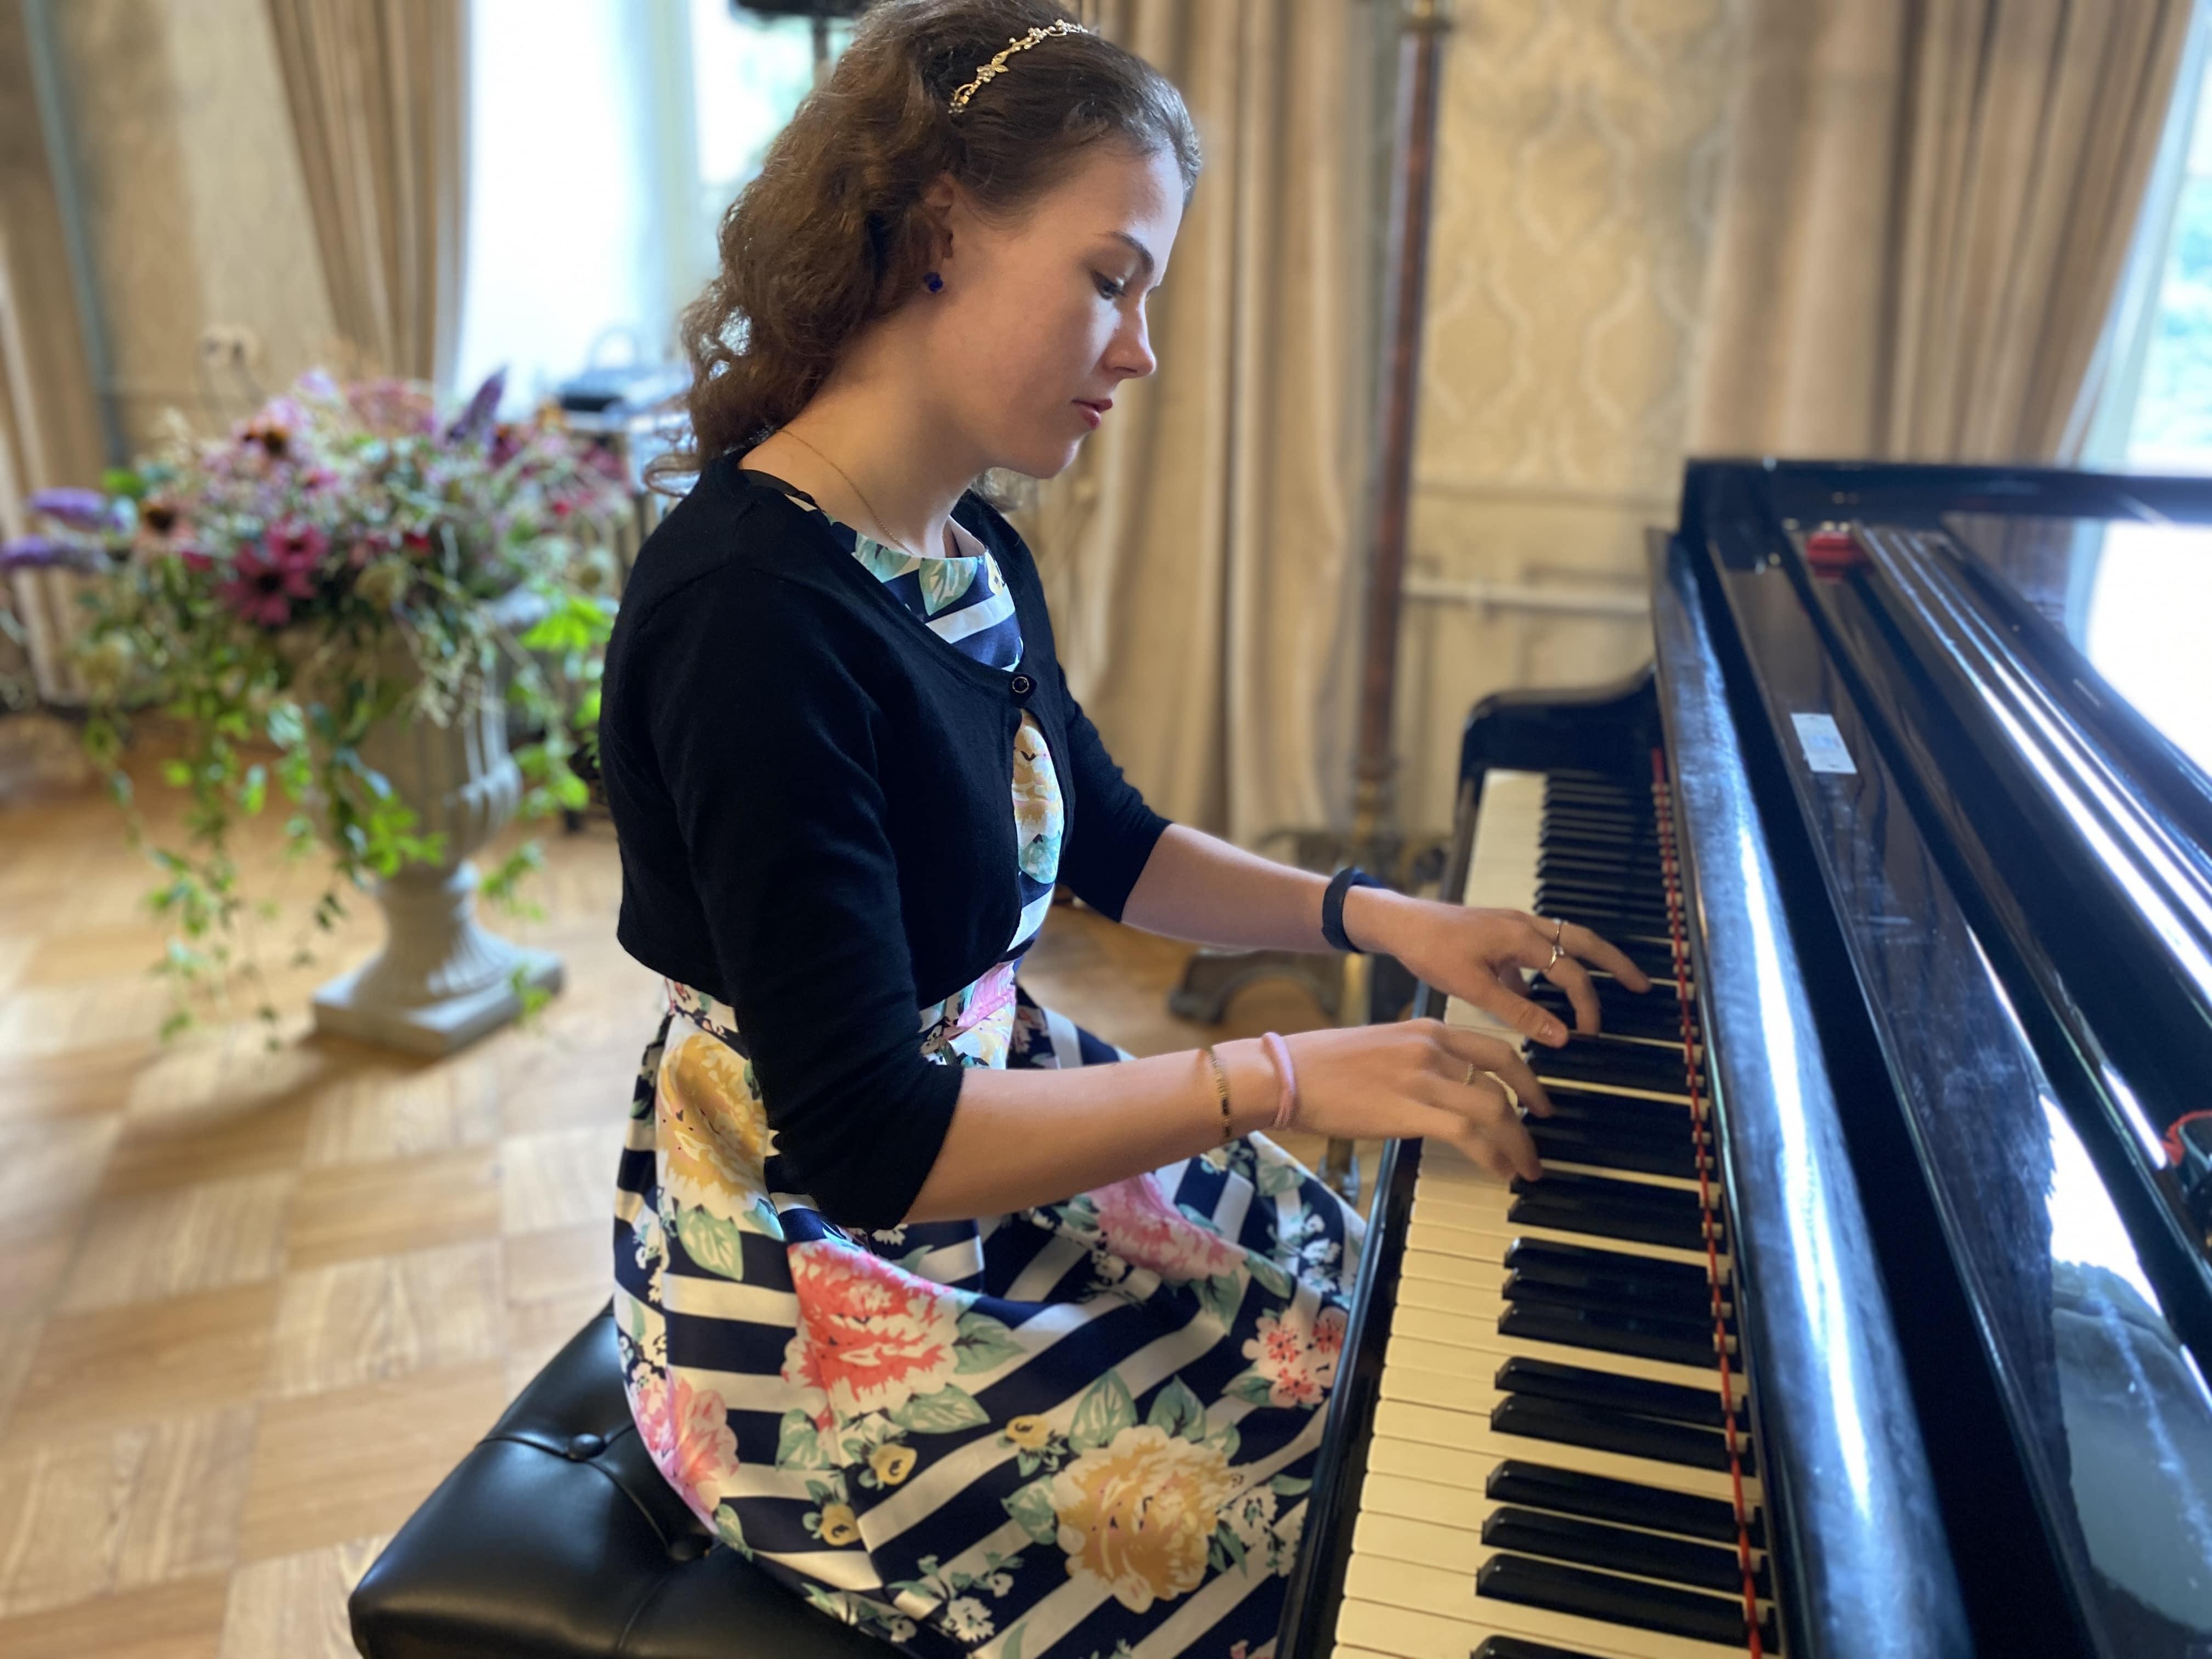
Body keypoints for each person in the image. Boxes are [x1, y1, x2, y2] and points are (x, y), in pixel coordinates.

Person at [595, 3, 1650, 1654]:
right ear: (939, 230)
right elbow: (869, 1143)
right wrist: (1284, 1073)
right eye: (1112, 278)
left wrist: (1388, 920)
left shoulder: (964, 548)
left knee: (1356, 1328)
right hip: (818, 1268)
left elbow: (1110, 840)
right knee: (1320, 1535)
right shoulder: (749, 619)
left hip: (984, 1125)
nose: (1141, 349)